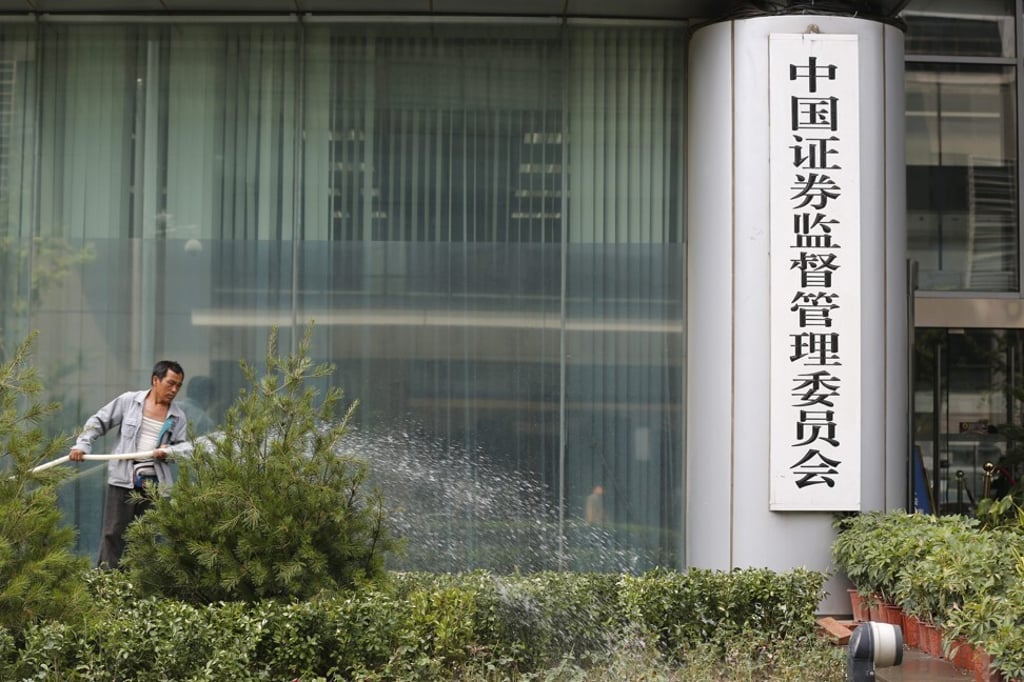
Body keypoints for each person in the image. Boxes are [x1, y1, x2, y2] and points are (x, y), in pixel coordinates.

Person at [69, 360, 191, 569]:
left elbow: (183, 448)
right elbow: (98, 421)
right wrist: (82, 445)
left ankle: (138, 588)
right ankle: (106, 586)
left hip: (155, 485)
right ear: (155, 380)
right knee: (114, 533)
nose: (174, 390)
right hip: (123, 479)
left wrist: (168, 452)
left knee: (146, 537)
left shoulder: (178, 416)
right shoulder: (129, 401)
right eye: (170, 383)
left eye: (178, 386)